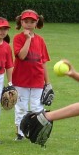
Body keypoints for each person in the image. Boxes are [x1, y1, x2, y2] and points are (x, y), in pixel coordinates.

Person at [12, 9, 50, 141]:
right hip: (21, 79)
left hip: (37, 79)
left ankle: (36, 132)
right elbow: (21, 56)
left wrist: (48, 82)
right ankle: (20, 133)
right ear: (21, 22)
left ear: (36, 22)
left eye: (32, 22)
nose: (29, 24)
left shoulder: (40, 40)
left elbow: (43, 61)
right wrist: (28, 39)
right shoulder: (18, 38)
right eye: (26, 21)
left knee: (37, 107)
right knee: (21, 107)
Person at [0, 17, 14, 144]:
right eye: (0, 28)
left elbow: (9, 66)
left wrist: (10, 83)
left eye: (5, 29)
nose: (3, 31)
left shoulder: (6, 47)